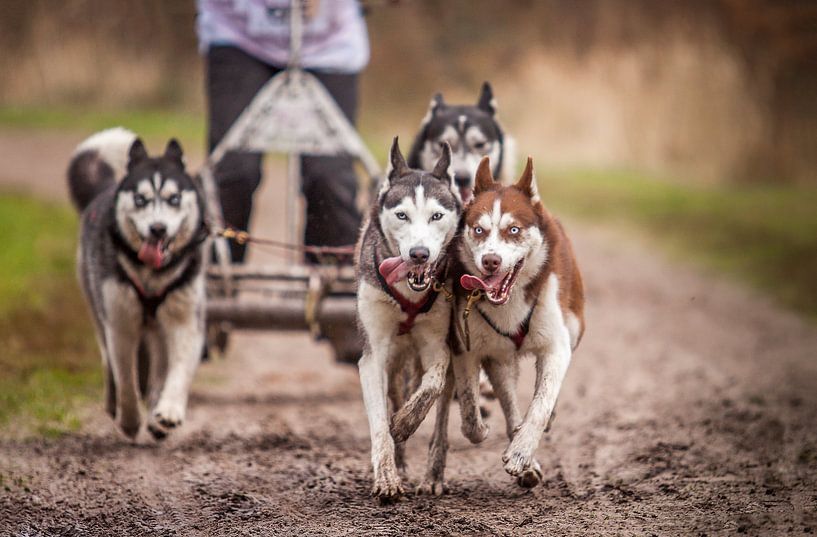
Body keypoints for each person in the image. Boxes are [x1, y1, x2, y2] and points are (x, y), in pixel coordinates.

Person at [196, 0, 369, 262]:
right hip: (238, 35)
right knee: (234, 172)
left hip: (329, 45)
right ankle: (216, 281)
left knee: (330, 180)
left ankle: (332, 287)